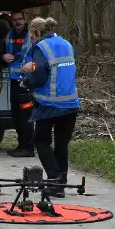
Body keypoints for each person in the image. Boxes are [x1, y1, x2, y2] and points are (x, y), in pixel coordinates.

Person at [20, 16, 80, 196]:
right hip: (70, 103)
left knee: (41, 141)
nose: (31, 39)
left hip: (50, 104)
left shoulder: (41, 47)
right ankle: (61, 181)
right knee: (62, 144)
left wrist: (26, 82)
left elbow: (39, 77)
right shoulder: (66, 44)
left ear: (37, 33)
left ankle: (55, 180)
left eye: (31, 35)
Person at [2, 10, 35, 157]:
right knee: (16, 115)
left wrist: (32, 66)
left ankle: (28, 147)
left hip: (27, 82)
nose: (18, 22)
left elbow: (40, 59)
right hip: (14, 80)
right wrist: (3, 56)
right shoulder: (8, 35)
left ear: (25, 19)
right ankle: (22, 145)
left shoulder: (32, 35)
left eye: (20, 19)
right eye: (15, 19)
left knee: (26, 116)